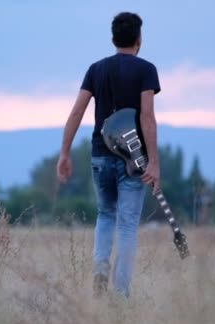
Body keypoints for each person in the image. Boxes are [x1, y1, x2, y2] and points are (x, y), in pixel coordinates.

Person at [56, 12, 161, 298]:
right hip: (133, 161)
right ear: (139, 39)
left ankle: (100, 267)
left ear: (113, 38)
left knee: (105, 214)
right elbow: (148, 118)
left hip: (100, 156)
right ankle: (120, 293)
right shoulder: (146, 70)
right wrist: (153, 161)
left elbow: (77, 111)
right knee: (127, 224)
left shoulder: (96, 69)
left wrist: (64, 153)